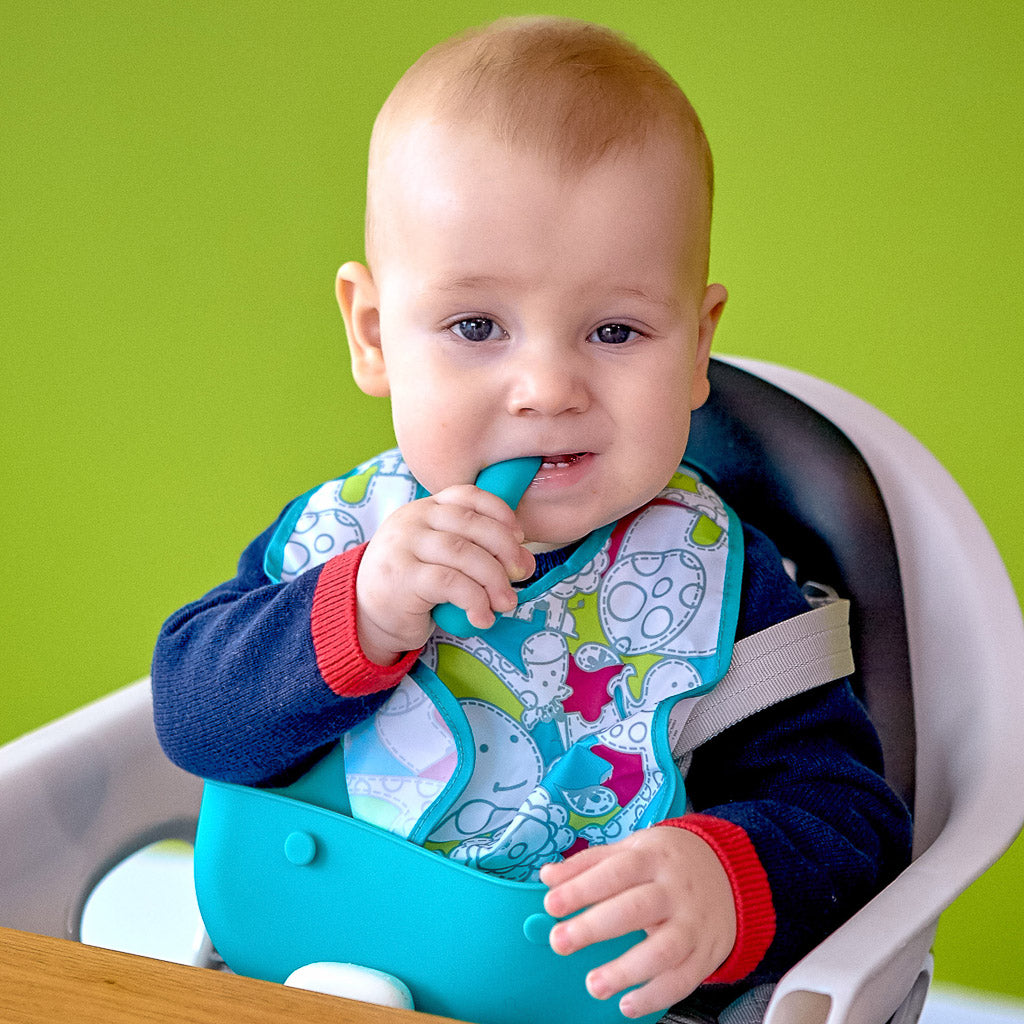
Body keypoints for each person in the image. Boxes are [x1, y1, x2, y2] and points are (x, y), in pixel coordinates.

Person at [152, 16, 911, 1023]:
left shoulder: (720, 588)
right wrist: (364, 613)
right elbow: (193, 717)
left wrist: (725, 879)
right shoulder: (345, 538)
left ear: (695, 347)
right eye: (476, 326)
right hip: (296, 970)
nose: (547, 386)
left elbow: (855, 823)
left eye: (614, 329)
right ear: (375, 334)